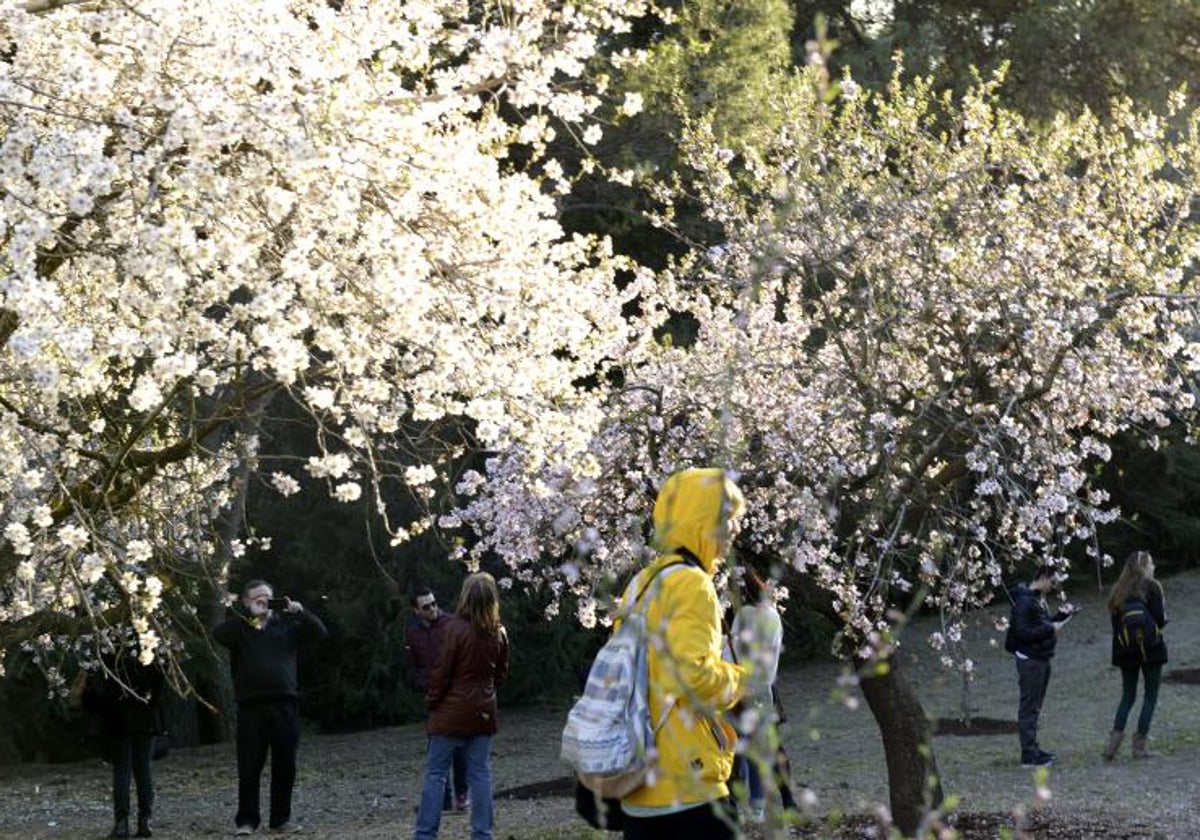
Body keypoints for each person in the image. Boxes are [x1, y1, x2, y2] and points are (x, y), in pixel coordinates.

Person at [620, 467, 749, 840]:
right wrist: (742, 678)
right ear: (703, 522)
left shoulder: (641, 584)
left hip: (639, 783)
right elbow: (692, 677)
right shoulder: (693, 584)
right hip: (689, 785)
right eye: (730, 519)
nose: (736, 530)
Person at [212, 579, 328, 835]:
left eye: (267, 597)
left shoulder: (286, 626)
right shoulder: (240, 631)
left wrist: (300, 611)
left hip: (285, 704)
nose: (264, 602)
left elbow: (320, 632)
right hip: (251, 707)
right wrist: (249, 616)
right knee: (250, 766)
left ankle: (280, 819)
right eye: (257, 598)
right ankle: (247, 820)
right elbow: (217, 633)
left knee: (285, 765)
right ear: (246, 601)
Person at [413, 572, 510, 840]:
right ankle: (482, 834)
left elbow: (442, 672)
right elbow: (500, 674)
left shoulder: (454, 628)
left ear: (466, 597)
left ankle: (425, 835)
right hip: (481, 712)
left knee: (435, 774)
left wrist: (432, 702)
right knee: (480, 775)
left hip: (450, 713)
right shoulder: (498, 631)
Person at [727, 567, 795, 823]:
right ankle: (771, 804)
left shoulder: (744, 614)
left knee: (737, 747)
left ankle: (737, 807)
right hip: (767, 688)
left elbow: (731, 648)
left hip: (742, 687)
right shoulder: (773, 614)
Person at [81, 648, 165, 838]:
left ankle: (122, 823)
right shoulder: (150, 645)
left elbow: (96, 691)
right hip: (144, 715)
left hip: (118, 718)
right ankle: (145, 821)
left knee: (122, 770)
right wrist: (153, 707)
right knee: (143, 769)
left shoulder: (107, 649)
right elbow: (160, 684)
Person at [405, 585, 468, 812]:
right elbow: (413, 665)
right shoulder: (413, 632)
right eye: (426, 606)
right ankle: (443, 799)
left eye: (433, 603)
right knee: (436, 749)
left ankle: (461, 794)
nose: (432, 608)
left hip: (456, 695)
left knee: (459, 748)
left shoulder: (452, 623)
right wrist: (423, 684)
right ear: (416, 610)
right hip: (433, 697)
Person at [1007, 565, 1074, 768]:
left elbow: (1040, 625)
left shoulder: (1036, 600)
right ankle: (1028, 754)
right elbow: (1023, 633)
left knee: (1035, 707)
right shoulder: (1024, 601)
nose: (1054, 587)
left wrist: (1059, 617)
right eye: (1053, 582)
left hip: (1041, 658)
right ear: (1043, 577)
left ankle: (1033, 748)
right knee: (1029, 706)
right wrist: (1051, 628)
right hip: (1031, 660)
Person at [1103, 550, 1168, 760]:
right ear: (1144, 566)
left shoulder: (1118, 591)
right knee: (1150, 696)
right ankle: (1139, 747)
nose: (1154, 567)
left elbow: (1115, 625)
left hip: (1126, 651)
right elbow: (1159, 619)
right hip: (1151, 649)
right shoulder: (1153, 587)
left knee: (1127, 697)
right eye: (1151, 564)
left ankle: (1112, 747)